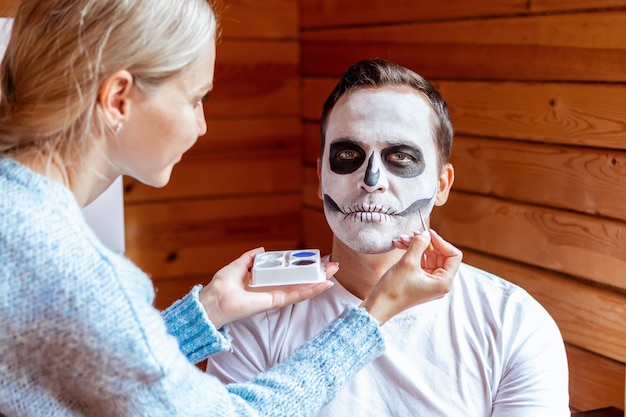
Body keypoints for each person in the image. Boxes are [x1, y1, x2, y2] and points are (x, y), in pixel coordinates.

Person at [0, 2, 466, 416]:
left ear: (442, 181)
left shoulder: (19, 219)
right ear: (118, 98)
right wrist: (374, 314)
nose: (203, 125)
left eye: (400, 158)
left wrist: (208, 309)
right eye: (196, 98)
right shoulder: (70, 271)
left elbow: (96, 370)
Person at [206, 58, 571, 416]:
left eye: (400, 156)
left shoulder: (513, 323)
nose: (372, 179)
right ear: (321, 178)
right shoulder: (259, 318)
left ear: (441, 185)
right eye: (349, 154)